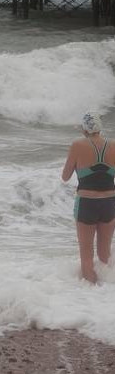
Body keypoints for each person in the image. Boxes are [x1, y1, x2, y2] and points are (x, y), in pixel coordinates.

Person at [61, 112, 115, 284]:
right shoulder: (113, 144)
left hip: (86, 203)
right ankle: (106, 293)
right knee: (104, 253)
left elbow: (65, 176)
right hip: (109, 202)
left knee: (86, 254)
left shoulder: (77, 145)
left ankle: (89, 295)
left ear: (84, 128)